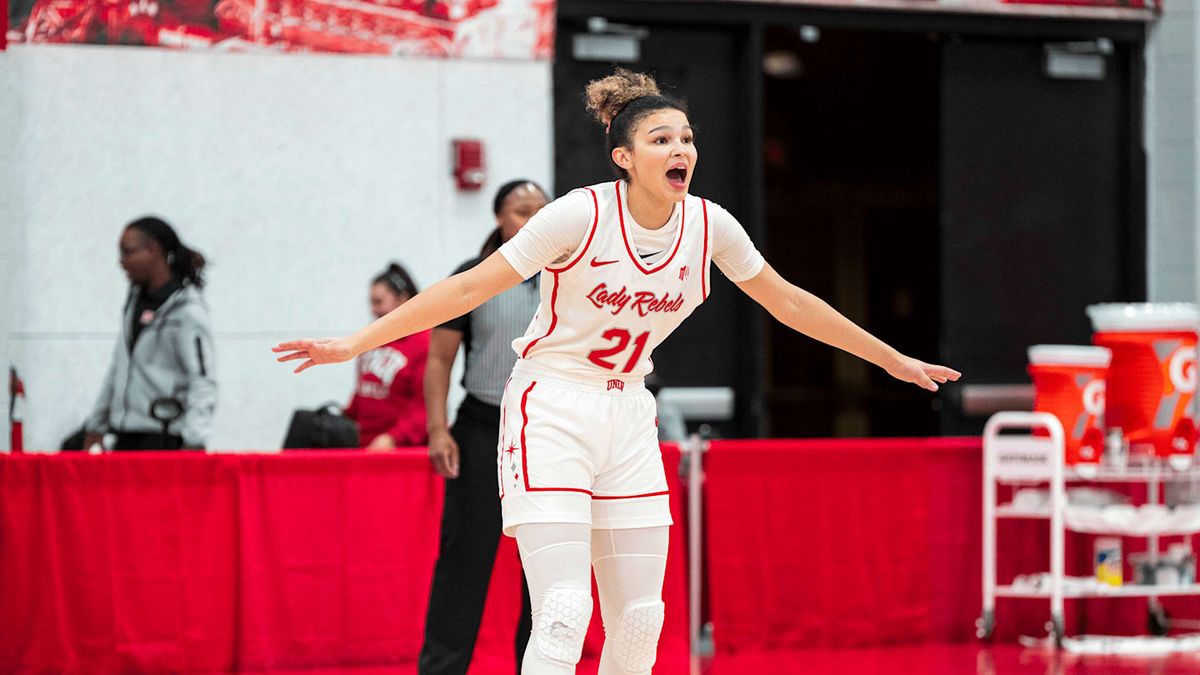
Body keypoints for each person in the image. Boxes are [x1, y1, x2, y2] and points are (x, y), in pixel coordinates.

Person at [274, 67, 961, 674]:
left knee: (641, 620)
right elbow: (465, 289)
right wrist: (353, 342)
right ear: (624, 157)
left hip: (629, 410)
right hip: (550, 405)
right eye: (662, 139)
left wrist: (889, 356)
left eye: (687, 138)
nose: (681, 149)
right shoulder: (578, 214)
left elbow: (786, 300)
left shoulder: (709, 224)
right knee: (567, 610)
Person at [419, 180, 548, 674]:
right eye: (521, 211)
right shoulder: (473, 276)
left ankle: (538, 666)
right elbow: (439, 359)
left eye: (542, 210)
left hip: (545, 429)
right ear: (498, 218)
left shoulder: (571, 273)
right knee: (465, 558)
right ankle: (442, 668)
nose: (533, 219)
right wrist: (436, 428)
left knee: (544, 562)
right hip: (482, 426)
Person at [85, 216, 216, 450]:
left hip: (163, 437)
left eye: (128, 252)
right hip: (125, 434)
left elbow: (202, 380)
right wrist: (96, 425)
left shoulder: (186, 311)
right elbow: (119, 368)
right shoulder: (134, 303)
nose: (122, 262)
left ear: (153, 250)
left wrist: (195, 441)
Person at [344, 262, 430, 450]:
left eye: (379, 302)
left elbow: (425, 406)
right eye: (371, 302)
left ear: (402, 299)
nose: (373, 310)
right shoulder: (370, 338)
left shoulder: (423, 342)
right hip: (363, 445)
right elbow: (362, 394)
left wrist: (392, 438)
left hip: (397, 448)